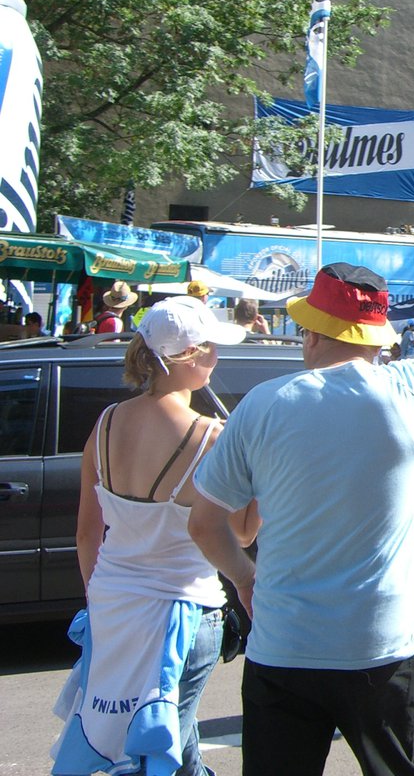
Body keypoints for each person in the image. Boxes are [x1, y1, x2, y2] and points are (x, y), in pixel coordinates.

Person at [188, 264, 414, 774]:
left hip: (284, 642)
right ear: (375, 337)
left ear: (314, 333)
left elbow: (207, 524)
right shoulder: (410, 388)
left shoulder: (263, 405)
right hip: (380, 641)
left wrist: (245, 578)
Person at [53, 296, 256, 776]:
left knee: (162, 744)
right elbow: (243, 534)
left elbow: (87, 533)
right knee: (165, 747)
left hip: (114, 606)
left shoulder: (105, 423)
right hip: (182, 611)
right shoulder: (211, 436)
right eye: (209, 349)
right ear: (186, 356)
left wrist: (99, 598)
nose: (216, 358)